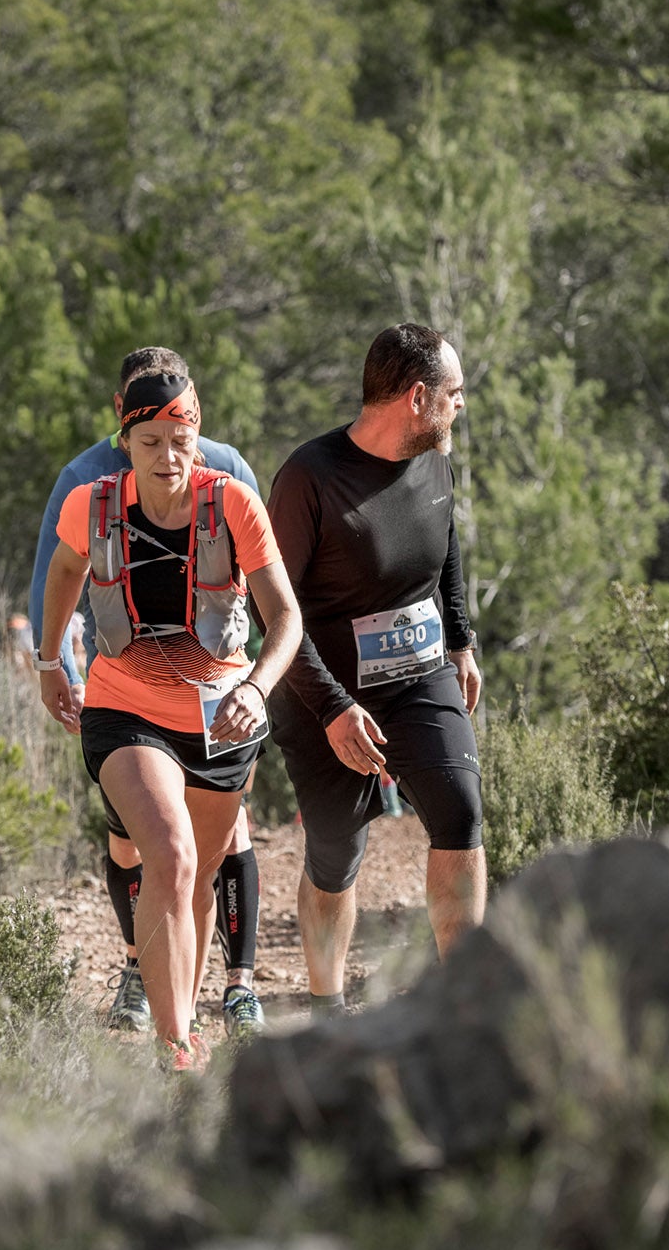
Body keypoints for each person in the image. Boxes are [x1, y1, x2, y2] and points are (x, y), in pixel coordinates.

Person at [36, 362, 302, 1068]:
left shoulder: (236, 503)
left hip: (222, 714)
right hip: (124, 706)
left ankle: (181, 1019)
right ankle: (175, 1043)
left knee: (201, 875)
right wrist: (48, 660)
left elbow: (286, 619)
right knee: (171, 852)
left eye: (179, 438)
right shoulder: (90, 506)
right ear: (126, 440)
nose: (167, 456)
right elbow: (63, 572)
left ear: (198, 433)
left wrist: (258, 687)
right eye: (150, 440)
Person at [267, 323, 487, 1016]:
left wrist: (461, 641)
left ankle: (465, 1004)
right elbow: (272, 609)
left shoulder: (436, 458)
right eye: (454, 393)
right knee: (336, 853)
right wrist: (331, 708)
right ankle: (327, 1010)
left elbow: (445, 545)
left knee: (460, 808)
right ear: (417, 398)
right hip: (320, 692)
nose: (463, 405)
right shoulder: (310, 477)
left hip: (419, 672)